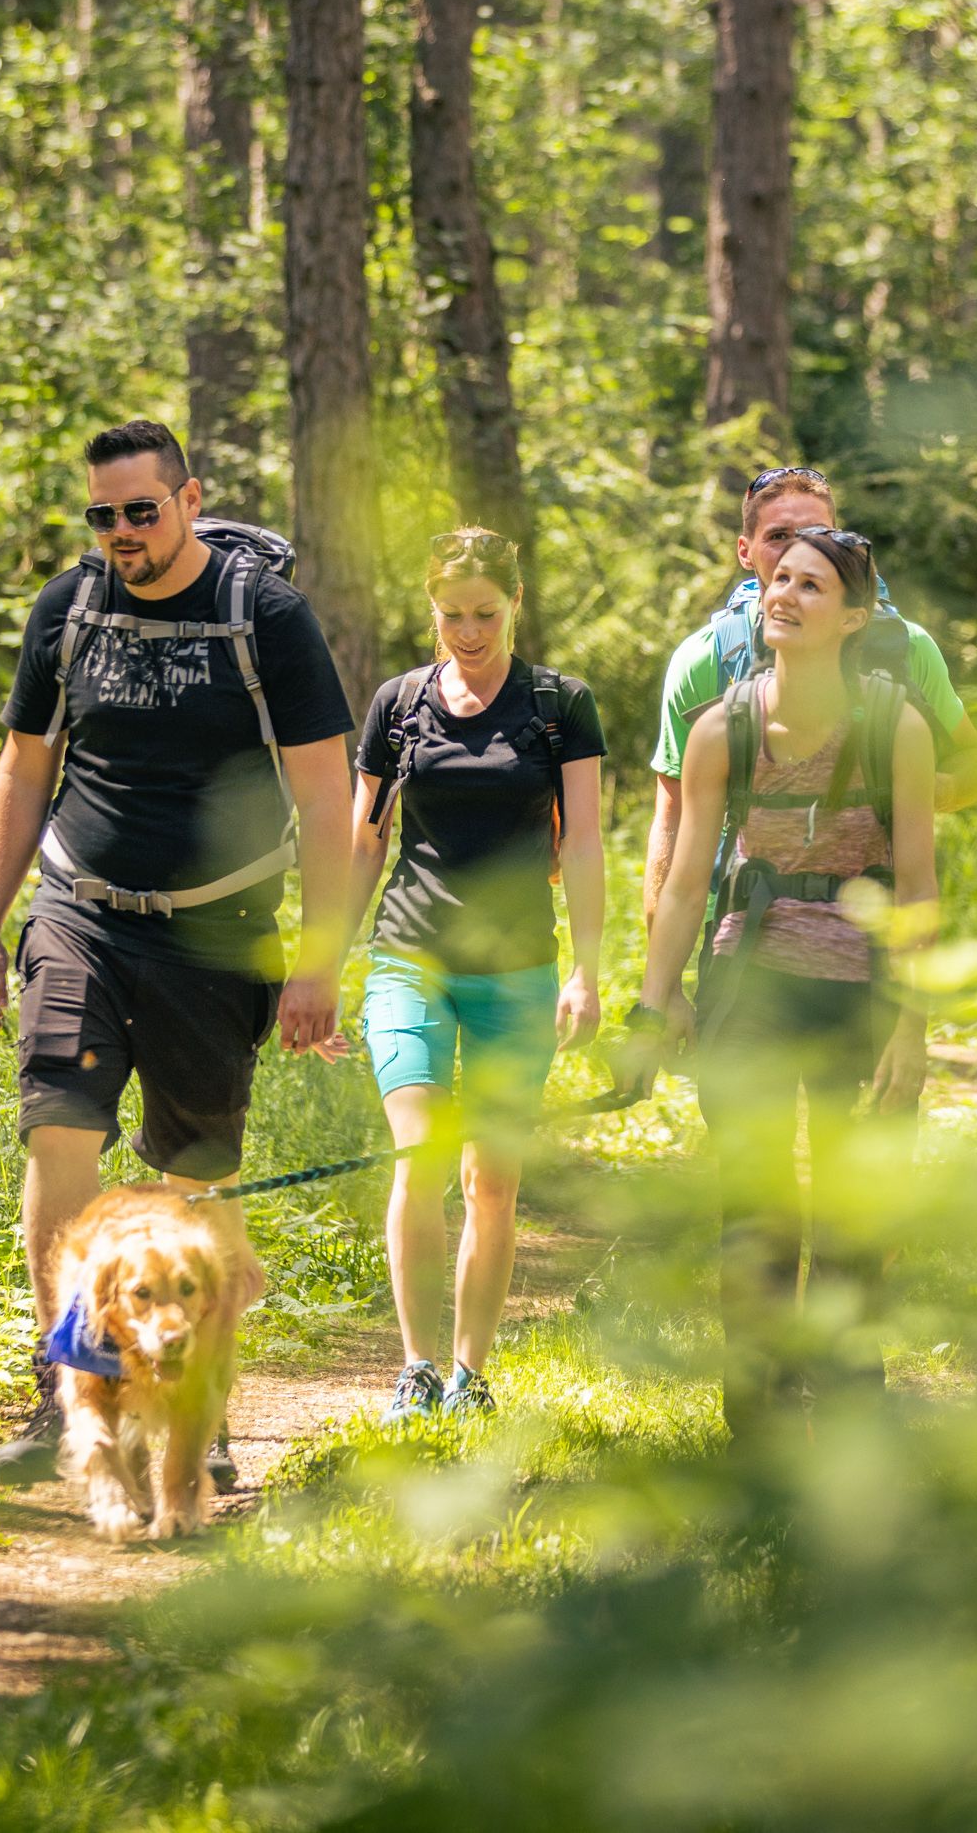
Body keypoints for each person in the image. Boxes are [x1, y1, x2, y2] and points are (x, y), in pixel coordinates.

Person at [0, 418, 358, 1490]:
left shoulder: (262, 615)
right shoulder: (70, 606)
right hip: (78, 911)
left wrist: (318, 962)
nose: (122, 532)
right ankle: (69, 1385)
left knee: (194, 1175)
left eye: (141, 509)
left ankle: (195, 1398)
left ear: (187, 499)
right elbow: (21, 770)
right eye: (103, 514)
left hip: (216, 931)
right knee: (59, 1133)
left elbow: (327, 795)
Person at [626, 525, 938, 1442]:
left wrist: (912, 1030)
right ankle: (756, 1420)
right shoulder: (723, 727)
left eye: (811, 587)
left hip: (861, 986)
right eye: (780, 579)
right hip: (749, 977)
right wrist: (654, 1004)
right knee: (755, 1204)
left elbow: (919, 886)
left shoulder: (895, 726)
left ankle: (847, 1406)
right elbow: (685, 884)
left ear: (854, 618)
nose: (785, 597)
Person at [342, 528, 608, 1418]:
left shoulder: (559, 706)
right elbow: (364, 840)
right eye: (452, 614)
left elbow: (587, 849)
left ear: (516, 603)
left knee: (491, 1180)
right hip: (408, 957)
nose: (468, 631)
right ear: (431, 609)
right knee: (420, 1156)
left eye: (485, 613)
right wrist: (317, 965)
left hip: (518, 969)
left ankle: (469, 1375)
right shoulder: (398, 702)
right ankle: (415, 1369)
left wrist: (589, 972)